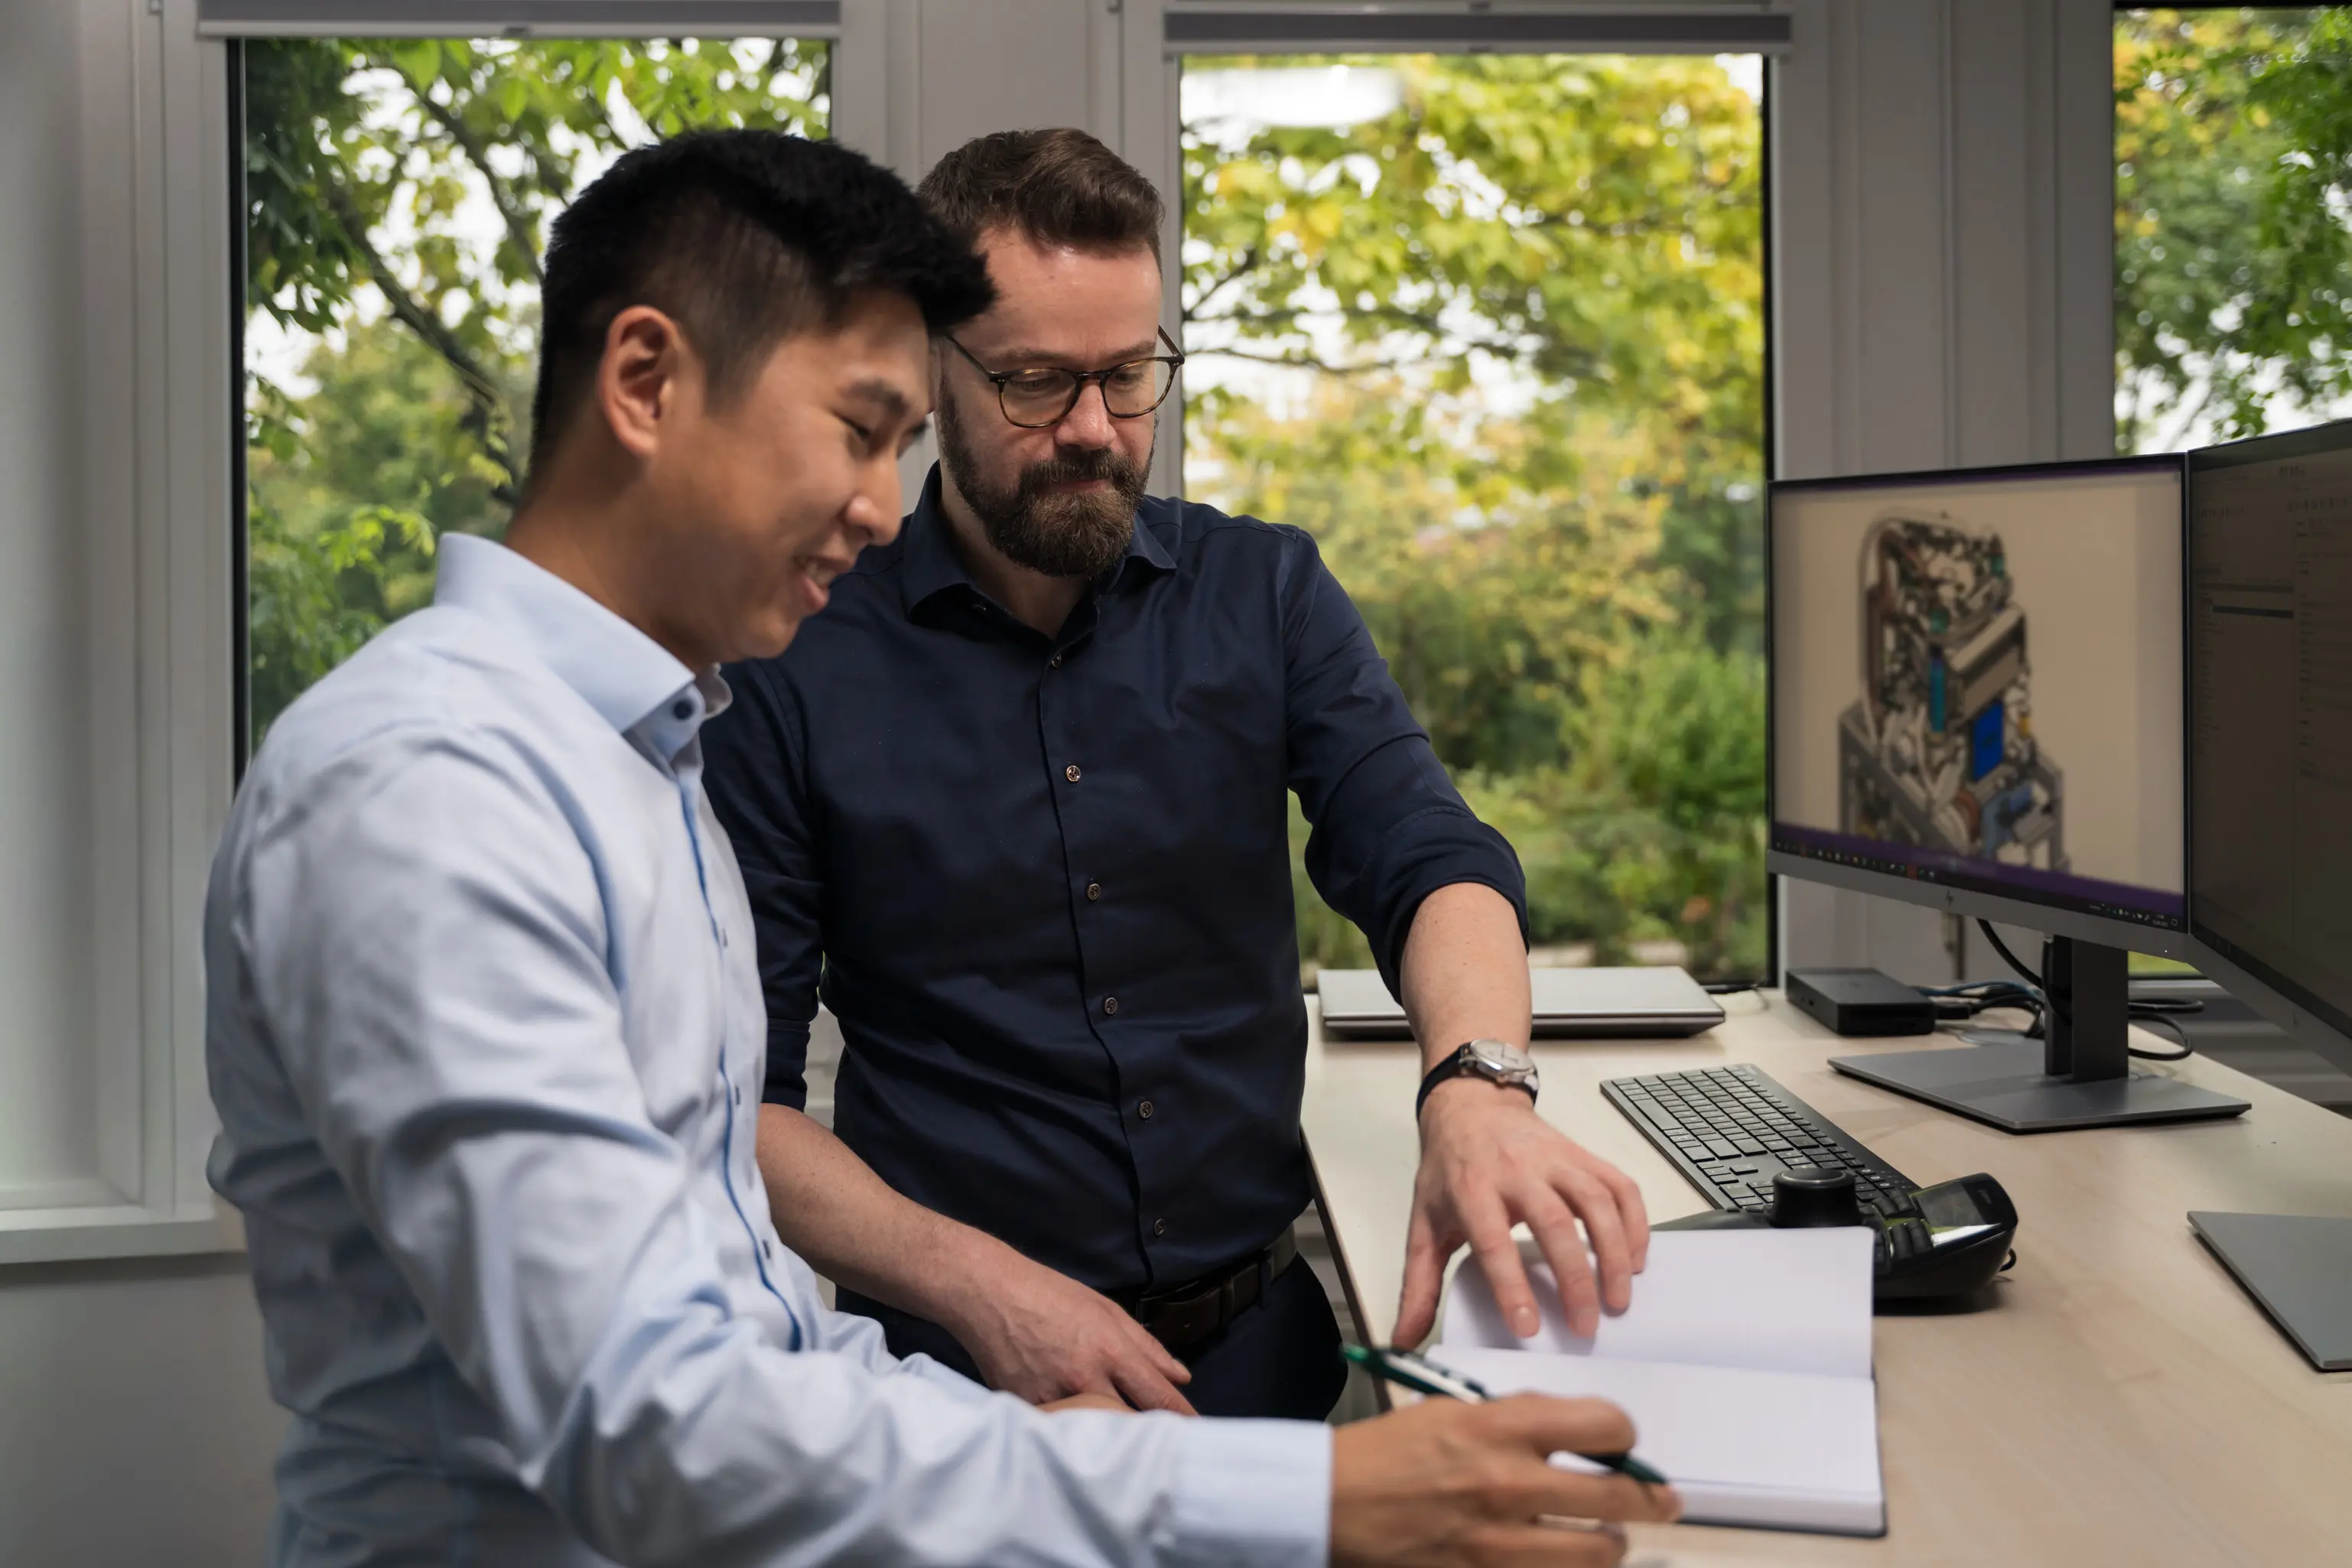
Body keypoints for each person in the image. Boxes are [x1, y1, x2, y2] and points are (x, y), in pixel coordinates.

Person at [203, 128, 1674, 1566]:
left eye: (894, 442)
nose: (872, 502)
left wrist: (1211, 1465)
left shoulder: (636, 758)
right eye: (860, 430)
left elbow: (752, 1329)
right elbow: (654, 1426)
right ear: (645, 382)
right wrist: (1289, 1504)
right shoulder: (433, 786)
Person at [701, 128, 1653, 1423]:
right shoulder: (797, 655)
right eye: (1036, 382)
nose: (1094, 429)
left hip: (1264, 1356)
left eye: (1129, 374)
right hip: (962, 1391)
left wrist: (1479, 1086)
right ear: (933, 363)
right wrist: (984, 1289)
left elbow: (1430, 855)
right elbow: (733, 1099)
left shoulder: (1264, 592)